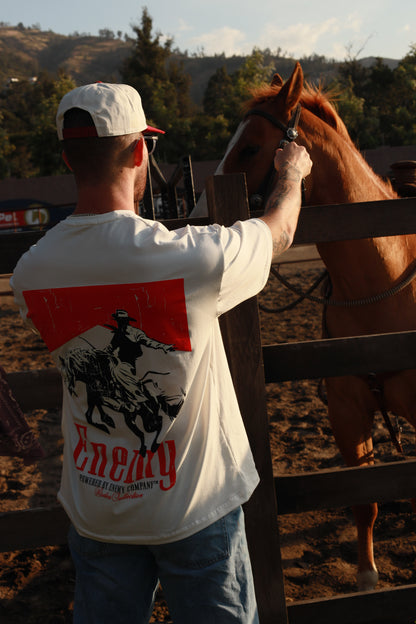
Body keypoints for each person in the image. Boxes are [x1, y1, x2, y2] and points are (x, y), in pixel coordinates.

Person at [11, 82, 312, 624]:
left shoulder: (32, 272)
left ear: (65, 156)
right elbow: (281, 229)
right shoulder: (193, 260)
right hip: (196, 508)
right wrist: (292, 173)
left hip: (99, 512)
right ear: (138, 152)